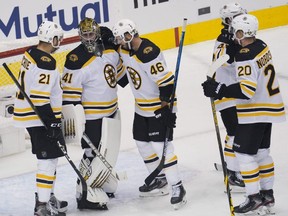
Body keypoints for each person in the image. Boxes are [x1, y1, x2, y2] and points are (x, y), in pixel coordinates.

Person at [202, 14, 286, 214]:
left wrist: (219, 89)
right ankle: (268, 196)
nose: (232, 35)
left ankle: (254, 197)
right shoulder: (261, 45)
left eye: (235, 32)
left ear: (241, 32)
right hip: (270, 107)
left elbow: (246, 91)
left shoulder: (245, 55)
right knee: (262, 154)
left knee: (243, 154)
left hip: (254, 111)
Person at [112, 18, 186, 209]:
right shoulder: (124, 50)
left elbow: (166, 83)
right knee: (142, 141)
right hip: (141, 106)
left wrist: (165, 109)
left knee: (162, 146)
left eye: (125, 36)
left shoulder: (149, 52)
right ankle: (159, 179)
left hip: (158, 105)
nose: (122, 40)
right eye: (120, 38)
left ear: (133, 33)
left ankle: (177, 186)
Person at [62, 17, 126, 210]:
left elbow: (122, 78)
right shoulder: (75, 59)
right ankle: (83, 191)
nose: (88, 38)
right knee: (91, 152)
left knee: (108, 150)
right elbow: (69, 96)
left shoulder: (110, 52)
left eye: (92, 33)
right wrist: (75, 123)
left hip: (112, 111)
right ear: (80, 36)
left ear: (98, 33)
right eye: (85, 34)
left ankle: (101, 179)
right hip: (92, 117)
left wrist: (117, 46)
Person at [12, 20, 68, 216]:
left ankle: (48, 197)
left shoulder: (31, 52)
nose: (59, 42)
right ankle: (42, 205)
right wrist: (51, 122)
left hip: (31, 114)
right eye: (57, 39)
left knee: (51, 159)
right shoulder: (47, 62)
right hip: (38, 117)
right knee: (48, 160)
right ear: (51, 39)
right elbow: (40, 98)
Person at [213, 2, 246, 189]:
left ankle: (232, 162)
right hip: (227, 94)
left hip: (230, 92)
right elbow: (226, 62)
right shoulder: (225, 40)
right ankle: (233, 173)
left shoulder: (231, 37)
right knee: (235, 133)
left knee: (235, 132)